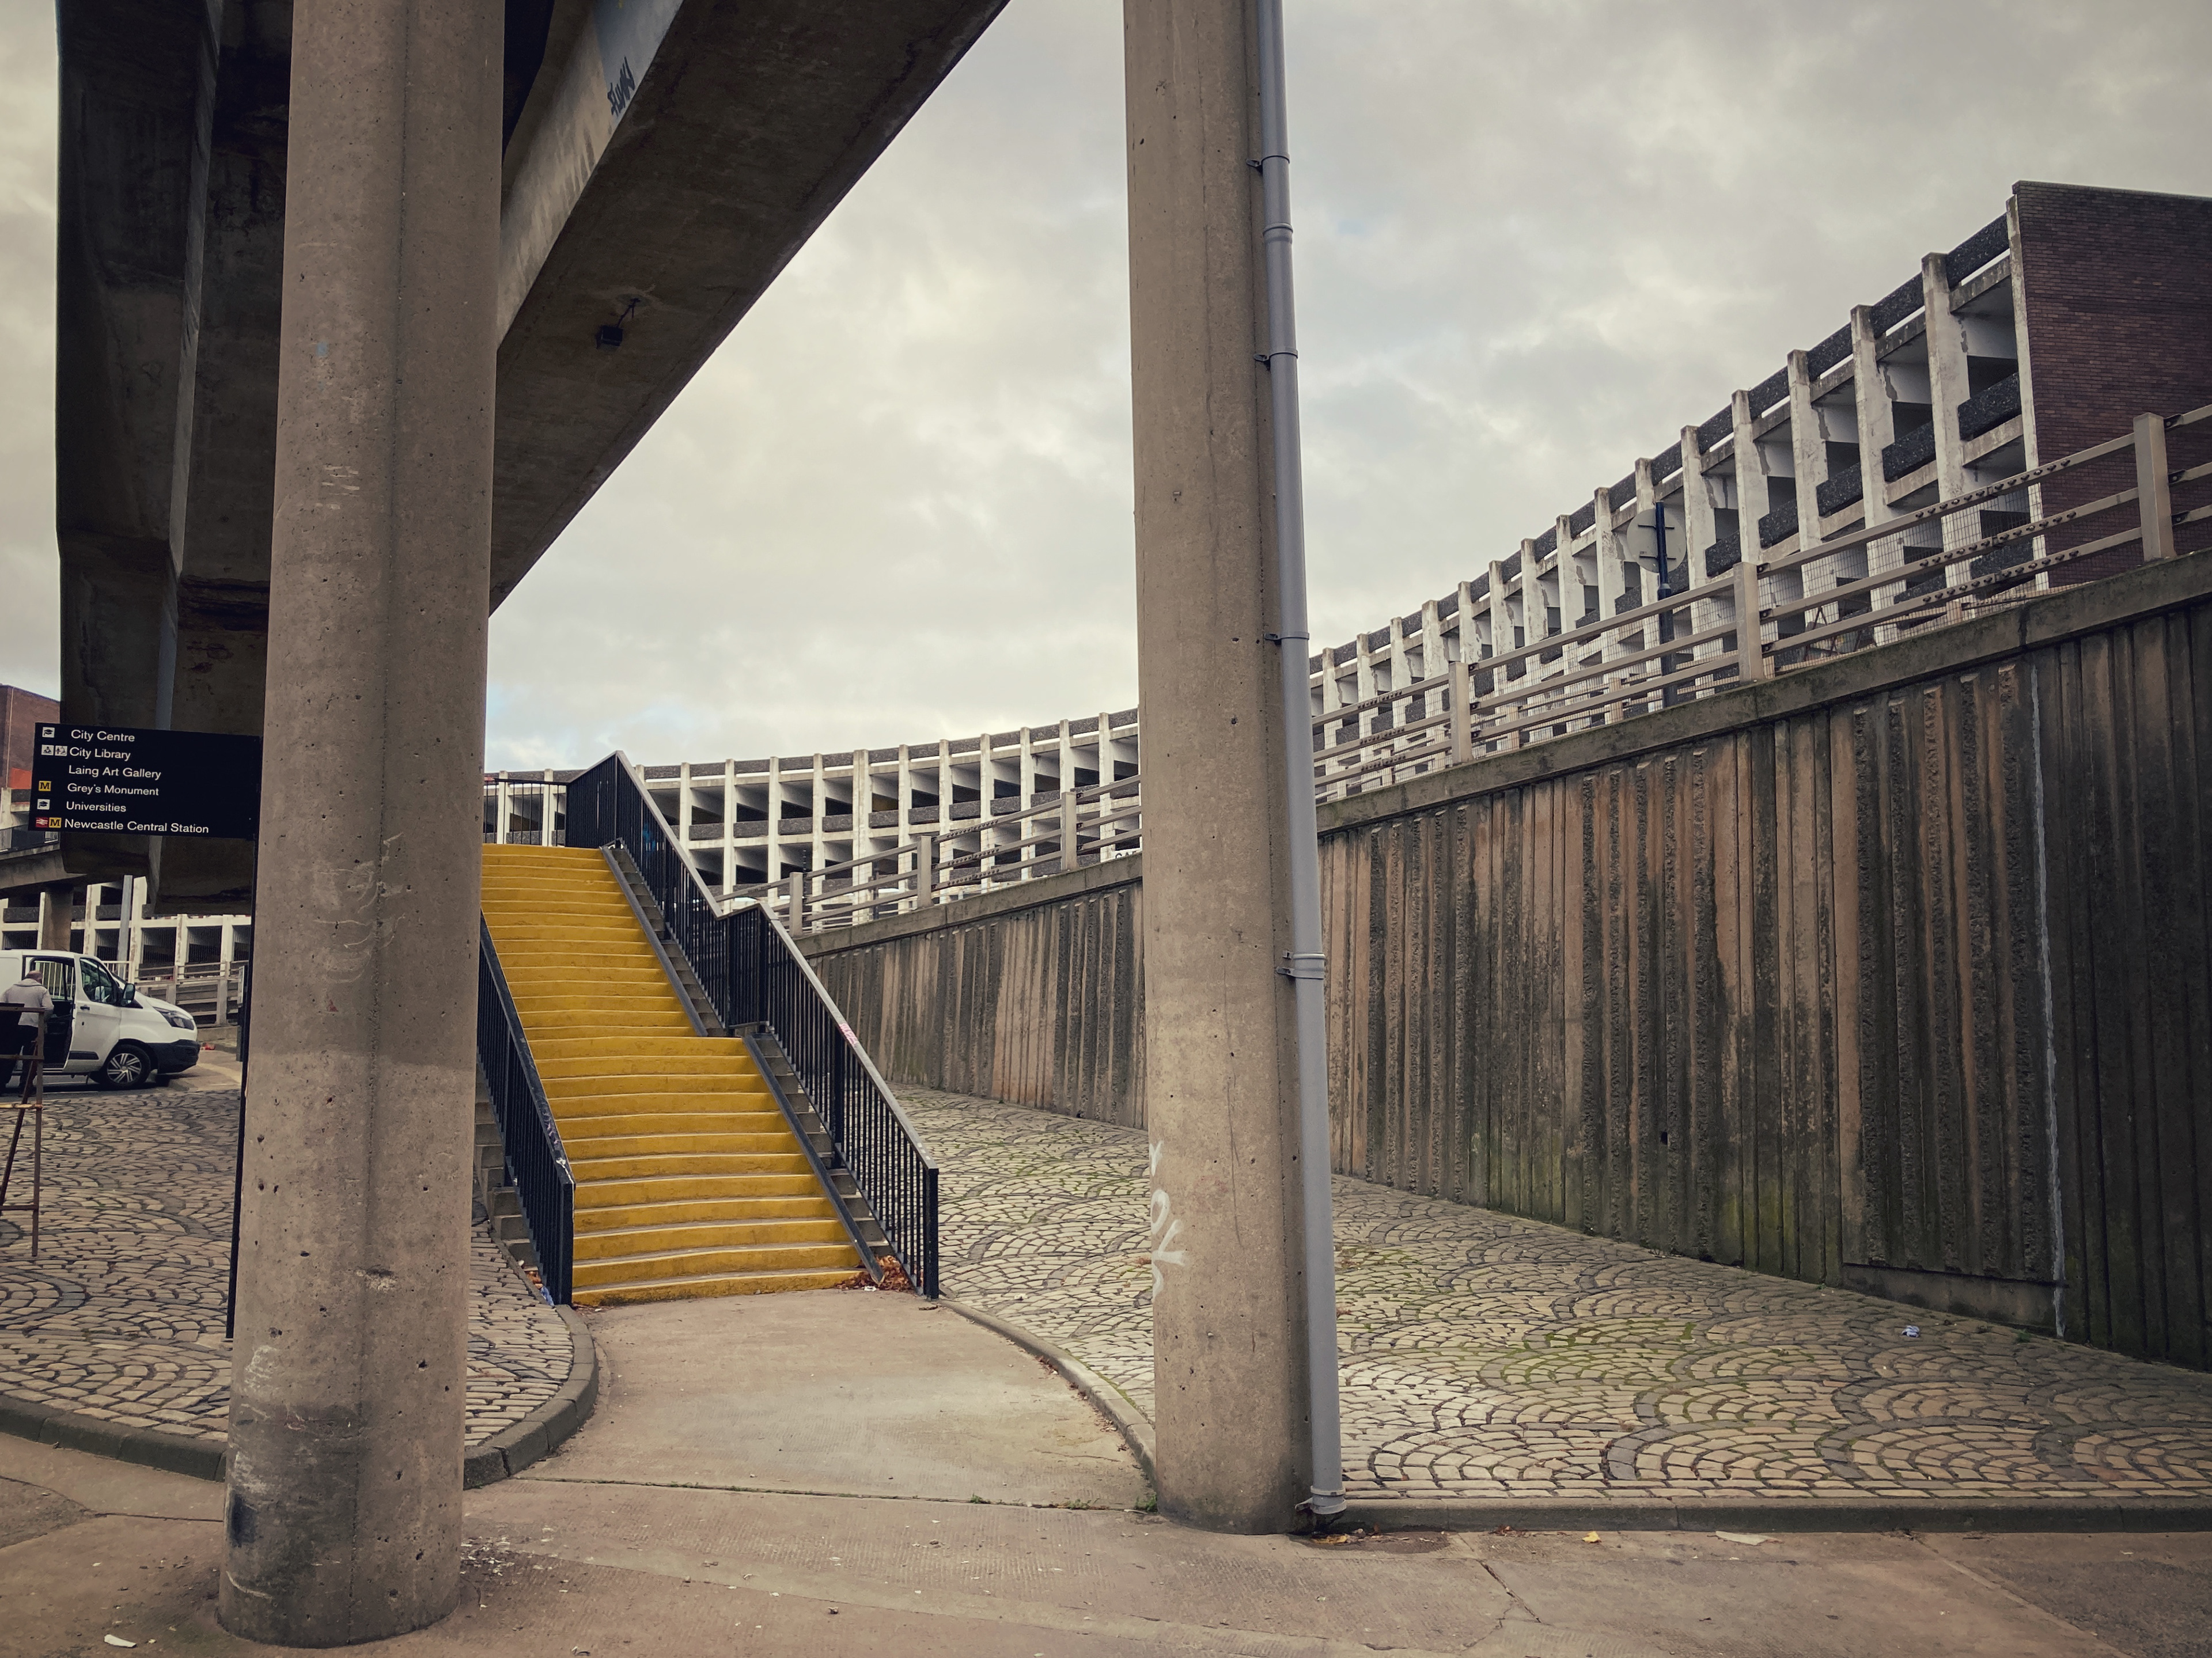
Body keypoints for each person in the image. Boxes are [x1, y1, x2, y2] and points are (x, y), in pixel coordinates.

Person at [0, 969, 54, 1102]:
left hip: (13, 1027)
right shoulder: (42, 990)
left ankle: (1, 1086)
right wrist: (42, 1021)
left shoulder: (11, 989)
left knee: (8, 1058)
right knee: (30, 1059)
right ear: (39, 979)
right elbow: (49, 1008)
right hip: (33, 1028)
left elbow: (2, 1006)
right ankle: (24, 1089)